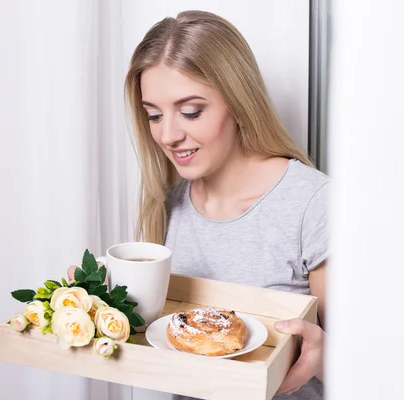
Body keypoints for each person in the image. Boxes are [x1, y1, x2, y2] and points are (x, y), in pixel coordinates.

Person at [71, 9, 328, 400]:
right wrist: (100, 305)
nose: (169, 135)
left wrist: (323, 357)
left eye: (191, 111)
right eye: (154, 115)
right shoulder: (169, 204)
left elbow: (369, 365)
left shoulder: (313, 204)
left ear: (240, 102)